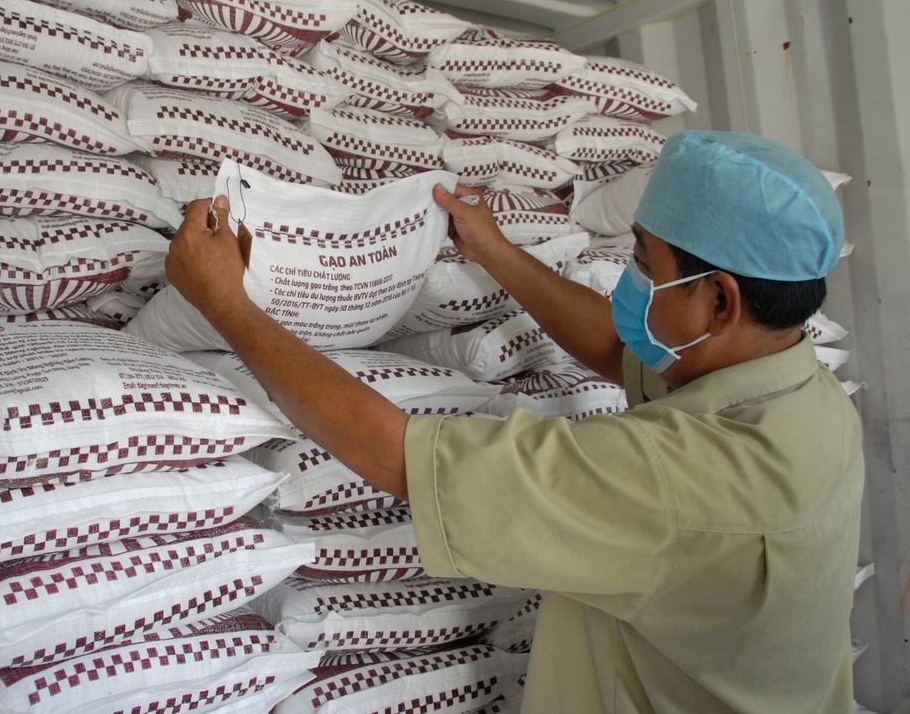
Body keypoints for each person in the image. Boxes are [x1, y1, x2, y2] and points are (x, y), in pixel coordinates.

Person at [164, 130, 864, 713]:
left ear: (719, 300)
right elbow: (625, 352)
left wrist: (226, 301)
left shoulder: (684, 481)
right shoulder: (802, 395)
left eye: (644, 263)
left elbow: (395, 456)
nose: (628, 276)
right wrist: (495, 251)